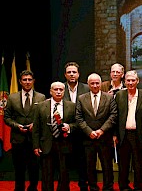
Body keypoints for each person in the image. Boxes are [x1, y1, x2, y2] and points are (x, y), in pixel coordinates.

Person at [4, 70, 46, 191]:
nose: (27, 82)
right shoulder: (12, 97)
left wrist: (35, 124)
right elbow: (7, 118)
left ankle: (33, 188)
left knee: (34, 168)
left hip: (34, 139)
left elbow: (44, 117)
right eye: (24, 80)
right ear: (20, 82)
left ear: (33, 81)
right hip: (18, 138)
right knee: (19, 168)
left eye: (29, 80)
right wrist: (17, 126)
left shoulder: (41, 97)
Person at [76, 73, 118, 191]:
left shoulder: (109, 97)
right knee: (90, 166)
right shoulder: (81, 98)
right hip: (88, 138)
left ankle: (108, 188)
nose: (95, 85)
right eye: (92, 83)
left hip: (104, 138)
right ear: (88, 84)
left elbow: (113, 116)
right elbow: (79, 118)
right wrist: (89, 132)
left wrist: (101, 130)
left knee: (107, 166)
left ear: (100, 83)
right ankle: (93, 188)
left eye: (97, 83)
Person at [33, 81, 76, 191]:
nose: (58, 92)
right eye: (55, 89)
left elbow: (77, 124)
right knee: (47, 175)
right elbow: (36, 128)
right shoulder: (41, 106)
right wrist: (36, 146)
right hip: (46, 144)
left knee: (64, 174)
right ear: (50, 91)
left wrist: (69, 127)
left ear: (64, 91)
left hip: (64, 144)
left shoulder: (71, 106)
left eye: (61, 90)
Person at [114, 70, 142, 191]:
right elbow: (115, 116)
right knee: (123, 163)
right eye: (128, 80)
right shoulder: (119, 95)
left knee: (137, 164)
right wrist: (115, 134)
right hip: (123, 134)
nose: (130, 83)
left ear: (137, 81)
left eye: (133, 80)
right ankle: (124, 186)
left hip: (138, 135)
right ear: (124, 82)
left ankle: (138, 187)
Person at [62, 61, 90, 191]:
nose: (72, 74)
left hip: (82, 131)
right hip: (65, 131)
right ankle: (64, 186)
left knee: (83, 161)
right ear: (65, 75)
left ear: (78, 74)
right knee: (64, 162)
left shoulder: (86, 88)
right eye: (69, 72)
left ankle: (83, 186)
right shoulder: (59, 88)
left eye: (74, 72)